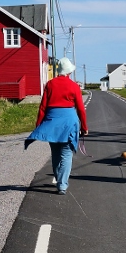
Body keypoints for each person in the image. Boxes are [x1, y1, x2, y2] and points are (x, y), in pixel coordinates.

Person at [24, 57, 89, 195]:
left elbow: (42, 107)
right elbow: (81, 109)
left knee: (55, 153)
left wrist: (39, 126)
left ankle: (59, 179)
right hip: (69, 123)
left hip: (52, 122)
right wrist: (84, 127)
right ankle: (62, 185)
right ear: (69, 72)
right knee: (66, 154)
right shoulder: (74, 86)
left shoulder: (50, 84)